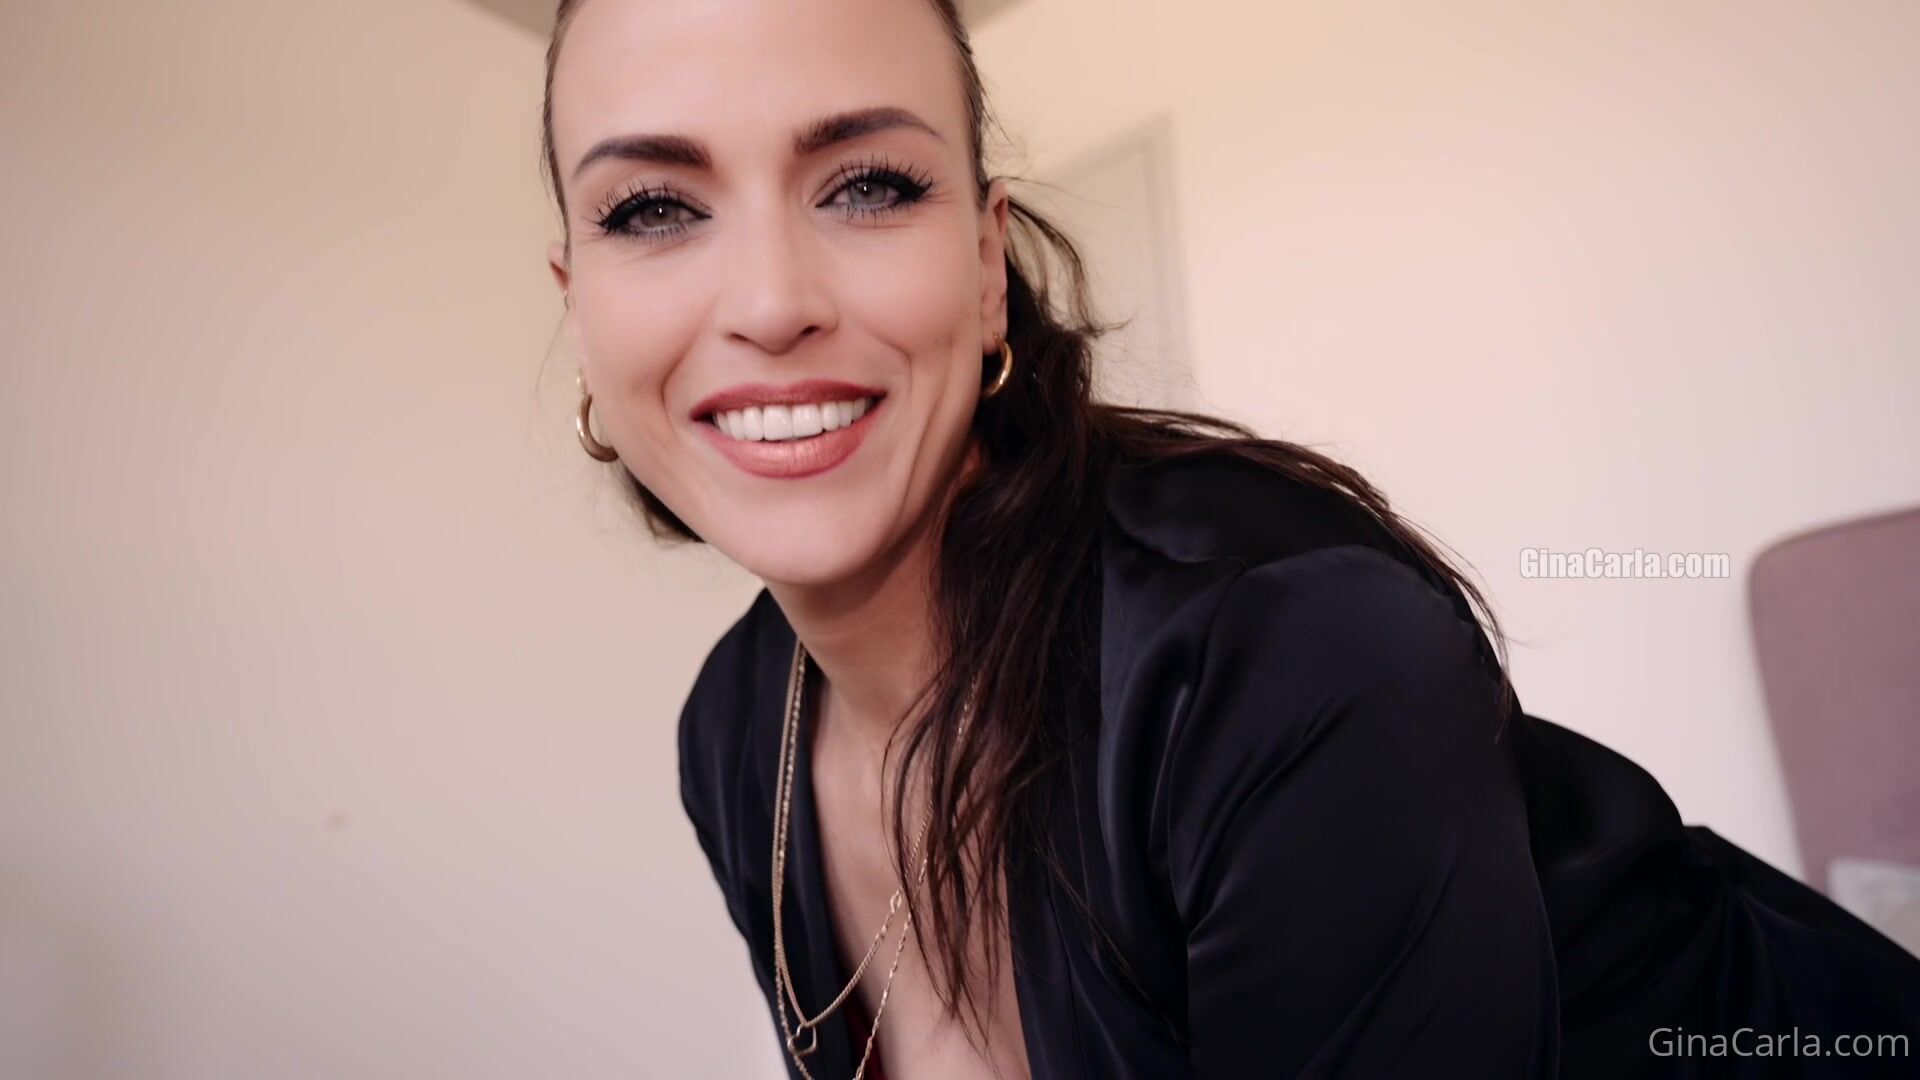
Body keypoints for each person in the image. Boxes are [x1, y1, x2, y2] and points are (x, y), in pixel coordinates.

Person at [535, 0, 1920, 1075]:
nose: (771, 300)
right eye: (653, 208)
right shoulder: (735, 733)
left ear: (985, 265)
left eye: (869, 185)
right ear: (576, 304)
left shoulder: (1283, 642)